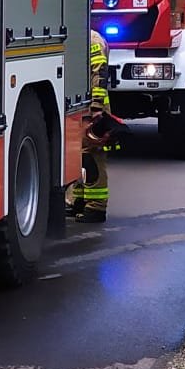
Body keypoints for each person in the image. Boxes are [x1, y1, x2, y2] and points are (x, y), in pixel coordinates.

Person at [68, 28, 113, 223]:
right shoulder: (82, 36)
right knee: (80, 156)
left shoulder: (93, 39)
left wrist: (96, 107)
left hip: (93, 109)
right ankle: (79, 200)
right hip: (81, 108)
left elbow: (99, 74)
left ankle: (96, 207)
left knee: (93, 157)